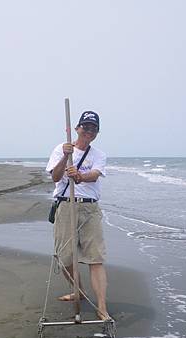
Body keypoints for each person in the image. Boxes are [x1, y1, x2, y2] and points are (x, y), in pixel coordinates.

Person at [45, 111, 109, 320]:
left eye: (93, 128)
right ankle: (78, 292)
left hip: (90, 209)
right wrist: (65, 155)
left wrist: (80, 176)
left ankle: (101, 308)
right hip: (65, 206)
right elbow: (55, 176)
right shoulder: (61, 149)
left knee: (95, 258)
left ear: (97, 132)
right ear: (77, 128)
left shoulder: (98, 154)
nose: (89, 131)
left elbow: (95, 175)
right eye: (85, 127)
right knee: (64, 258)